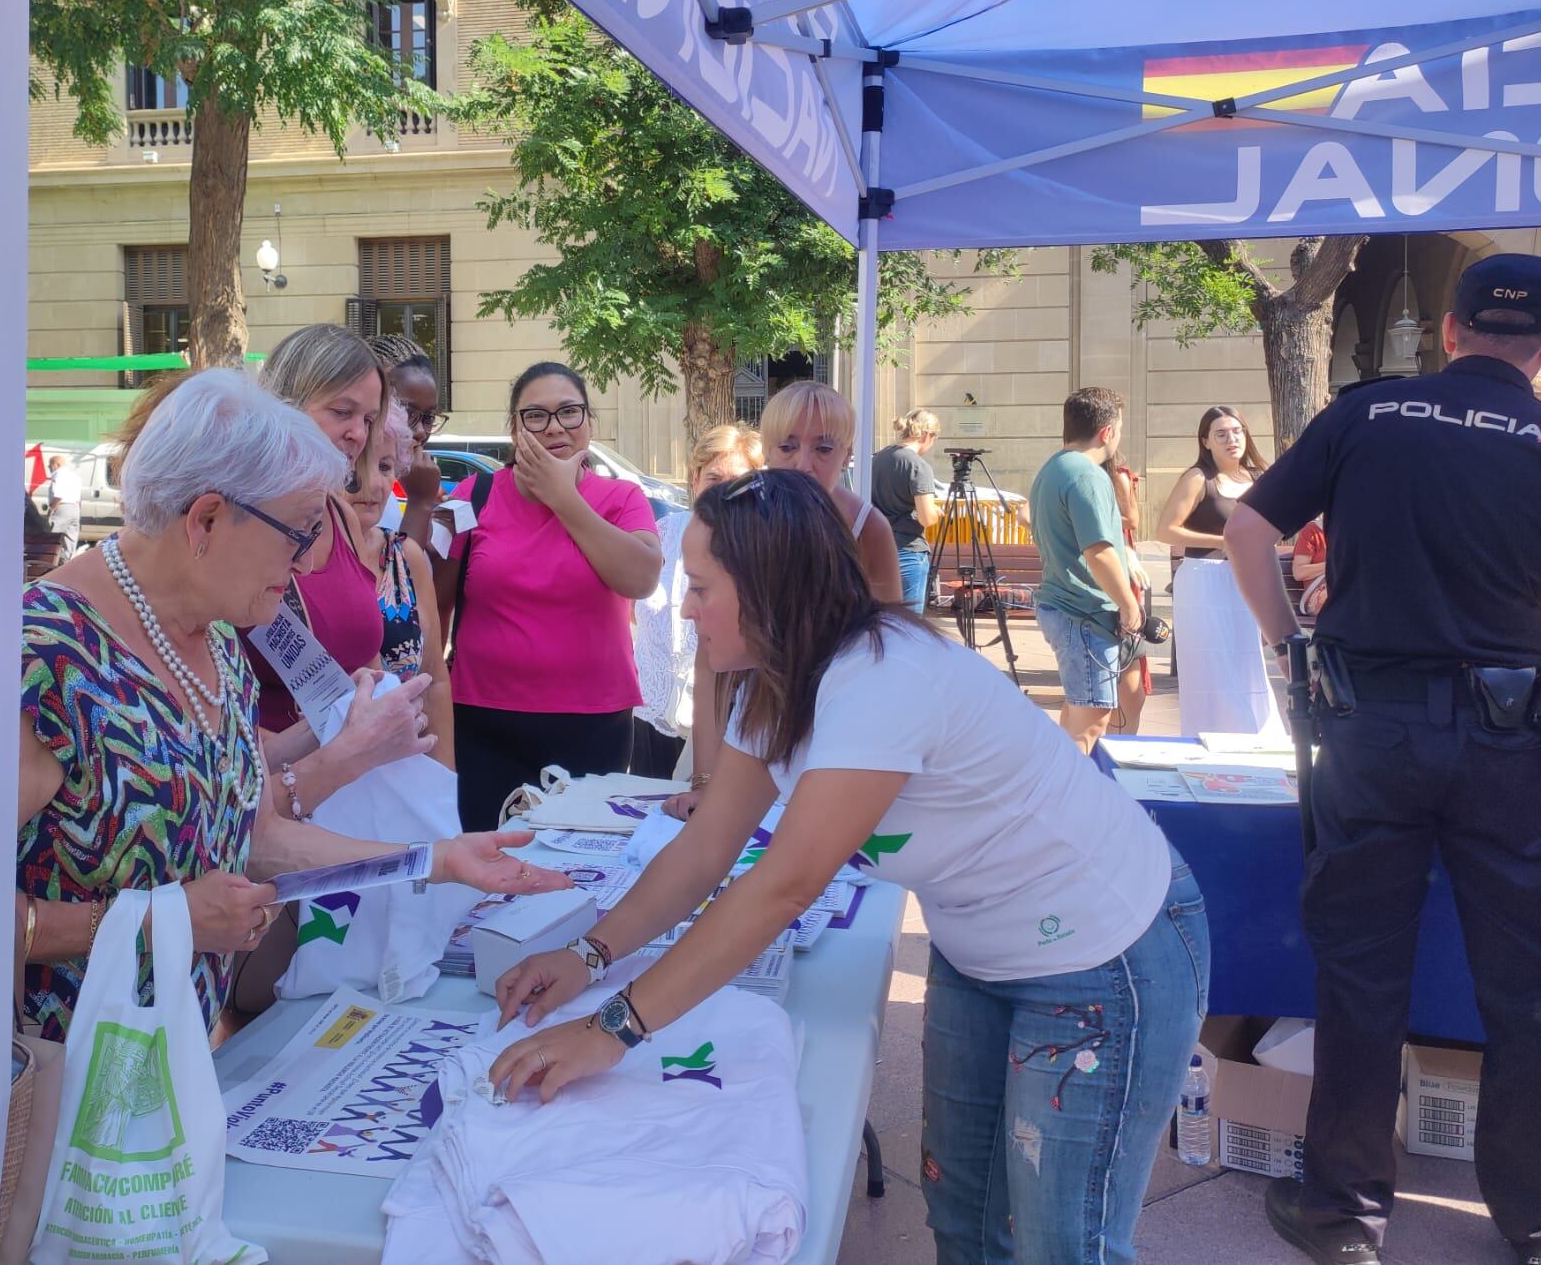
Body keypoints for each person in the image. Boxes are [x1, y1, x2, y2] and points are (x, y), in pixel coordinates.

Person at [485, 469, 1208, 1265]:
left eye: (699, 587)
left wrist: (613, 1029)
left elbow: (784, 885)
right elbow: (703, 850)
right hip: (984, 956)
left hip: (1104, 960)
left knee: (1062, 1244)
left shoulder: (880, 680)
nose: (684, 610)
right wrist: (586, 953)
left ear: (767, 590)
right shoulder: (772, 682)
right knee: (963, 1216)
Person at [1223, 254, 1541, 1265]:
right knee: (1527, 981)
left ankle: (1340, 1213)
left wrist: (1289, 644)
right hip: (1504, 745)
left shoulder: (1364, 415)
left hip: (1365, 735)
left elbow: (1248, 529)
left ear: (1449, 329)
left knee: (1358, 969)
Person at [15, 370, 569, 1041]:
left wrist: (435, 860)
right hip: (46, 1096)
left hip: (167, 1072)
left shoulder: (216, 638)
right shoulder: (43, 657)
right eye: (298, 534)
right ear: (208, 520)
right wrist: (164, 922)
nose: (308, 565)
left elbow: (259, 837)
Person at [436, 362, 663, 831]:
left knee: (574, 865)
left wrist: (564, 498)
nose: (554, 427)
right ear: (514, 429)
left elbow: (641, 579)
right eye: (535, 416)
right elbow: (433, 599)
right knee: (486, 862)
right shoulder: (472, 494)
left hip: (593, 722)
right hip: (482, 722)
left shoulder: (621, 498)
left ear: (589, 423)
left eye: (569, 412)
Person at [249, 324, 390, 733]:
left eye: (369, 418)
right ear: (284, 403)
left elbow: (367, 660)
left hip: (357, 776)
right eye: (342, 412)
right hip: (268, 781)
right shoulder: (233, 520)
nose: (358, 434)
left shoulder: (342, 517)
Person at [632, 423, 762, 780]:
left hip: (722, 721)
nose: (721, 491)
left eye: (734, 480)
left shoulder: (760, 549)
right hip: (652, 716)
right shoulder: (664, 533)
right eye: (713, 477)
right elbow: (633, 608)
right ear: (695, 479)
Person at [1028, 388, 1150, 753]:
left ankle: (1061, 796)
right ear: (1108, 432)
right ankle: (1064, 803)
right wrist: (1129, 605)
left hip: (1069, 609)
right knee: (1091, 721)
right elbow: (1098, 551)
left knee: (1078, 713)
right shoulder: (1087, 475)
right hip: (1082, 612)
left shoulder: (1055, 467)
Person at [1156, 405, 1287, 741]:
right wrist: (1226, 541)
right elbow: (1167, 530)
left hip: (1247, 578)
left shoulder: (1260, 477)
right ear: (1206, 441)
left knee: (1247, 661)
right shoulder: (1198, 478)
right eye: (1221, 434)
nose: (1232, 440)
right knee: (1211, 666)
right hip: (1204, 578)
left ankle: (1255, 738)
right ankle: (1208, 738)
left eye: (1237, 431)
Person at [347, 401, 452, 764]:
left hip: (410, 773)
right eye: (354, 464)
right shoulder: (294, 564)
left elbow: (435, 679)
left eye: (385, 466)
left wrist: (444, 782)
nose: (373, 483)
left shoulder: (406, 556)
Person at [760, 381, 903, 603]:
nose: (804, 464)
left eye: (823, 449)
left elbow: (890, 628)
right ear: (767, 452)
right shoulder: (738, 515)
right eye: (787, 447)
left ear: (846, 456)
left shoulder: (867, 527)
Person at [367, 332, 448, 550]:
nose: (421, 431)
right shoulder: (353, 488)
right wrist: (420, 503)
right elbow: (397, 578)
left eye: (428, 417)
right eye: (406, 412)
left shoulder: (398, 483)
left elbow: (421, 573)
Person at [872, 408, 943, 609]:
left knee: (880, 621)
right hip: (907, 551)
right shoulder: (918, 466)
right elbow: (926, 518)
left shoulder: (879, 458)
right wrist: (936, 513)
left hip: (877, 549)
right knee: (908, 626)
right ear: (928, 435)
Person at [1103, 452, 1153, 731]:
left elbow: (1131, 520)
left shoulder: (1116, 474)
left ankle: (1127, 739)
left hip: (1120, 563)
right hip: (1090, 571)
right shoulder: (1070, 471)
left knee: (1130, 664)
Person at [44, 454, 84, 554]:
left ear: (56, 464)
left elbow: (58, 495)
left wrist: (51, 510)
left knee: (52, 538)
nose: (49, 468)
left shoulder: (58, 474)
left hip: (62, 508)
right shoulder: (74, 475)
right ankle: (67, 564)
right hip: (75, 508)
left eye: (50, 465)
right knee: (70, 542)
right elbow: (79, 498)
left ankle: (49, 563)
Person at [1292, 519, 1329, 617]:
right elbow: (1299, 573)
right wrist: (1334, 565)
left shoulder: (1358, 531)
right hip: (1320, 596)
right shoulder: (1312, 530)